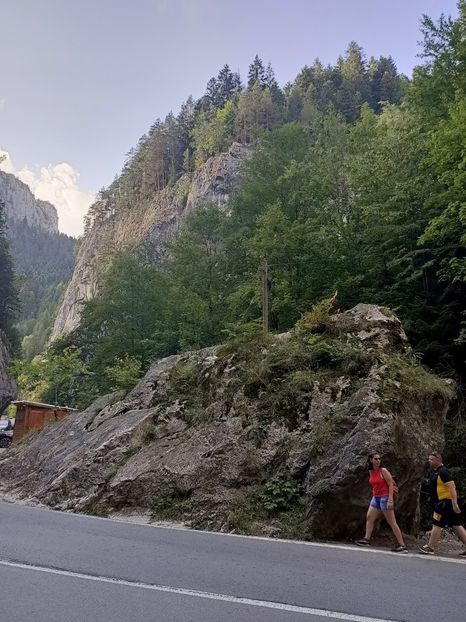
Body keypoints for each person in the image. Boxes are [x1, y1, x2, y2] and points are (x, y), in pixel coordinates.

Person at [355, 452, 407, 552]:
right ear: (371, 460)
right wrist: (374, 493)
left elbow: (391, 484)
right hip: (376, 497)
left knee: (392, 522)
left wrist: (390, 500)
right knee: (370, 517)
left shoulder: (383, 470)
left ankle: (402, 545)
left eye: (379, 459)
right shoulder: (371, 471)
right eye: (376, 459)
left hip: (385, 497)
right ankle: (366, 539)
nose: (378, 461)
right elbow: (374, 483)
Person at [419, 451, 466, 556]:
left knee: (436, 524)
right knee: (456, 525)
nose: (429, 461)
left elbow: (452, 487)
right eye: (429, 459)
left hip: (444, 504)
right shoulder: (436, 472)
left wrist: (454, 503)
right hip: (444, 503)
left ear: (438, 460)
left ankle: (430, 547)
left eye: (431, 459)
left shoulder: (443, 472)